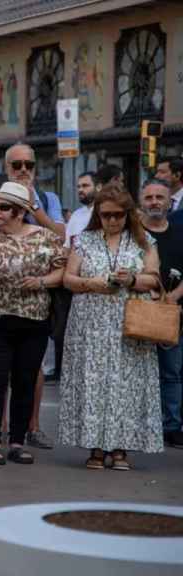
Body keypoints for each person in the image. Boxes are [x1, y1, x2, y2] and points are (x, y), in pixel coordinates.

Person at [60, 182, 163, 470]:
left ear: (128, 213)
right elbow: (68, 279)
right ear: (98, 215)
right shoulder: (83, 240)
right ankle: (95, 447)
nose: (113, 220)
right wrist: (91, 283)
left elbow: (154, 279)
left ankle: (120, 448)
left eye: (118, 214)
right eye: (106, 215)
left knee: (125, 386)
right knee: (93, 383)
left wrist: (131, 280)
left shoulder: (144, 241)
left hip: (128, 324)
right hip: (89, 325)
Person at [0, 143, 65, 451]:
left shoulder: (46, 217)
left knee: (26, 380)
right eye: (17, 165)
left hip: (35, 319)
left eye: (29, 164)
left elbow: (61, 265)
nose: (23, 169)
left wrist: (39, 281)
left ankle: (20, 439)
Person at [138, 179, 183, 449]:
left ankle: (172, 426)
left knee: (171, 371)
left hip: (171, 312)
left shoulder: (179, 232)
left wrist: (173, 298)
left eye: (160, 197)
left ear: (169, 202)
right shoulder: (135, 234)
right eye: (149, 197)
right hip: (138, 309)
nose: (154, 202)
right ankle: (140, 423)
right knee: (136, 370)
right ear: (142, 201)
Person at [65, 172, 96, 248]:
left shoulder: (105, 213)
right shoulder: (76, 215)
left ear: (98, 187)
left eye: (85, 186)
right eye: (78, 187)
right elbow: (67, 246)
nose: (80, 190)